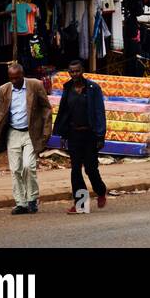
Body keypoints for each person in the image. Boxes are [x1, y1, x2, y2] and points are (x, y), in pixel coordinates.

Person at [0, 61, 53, 216]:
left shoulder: (35, 85)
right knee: (15, 169)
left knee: (28, 166)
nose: (14, 81)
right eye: (11, 78)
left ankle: (32, 199)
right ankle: (21, 203)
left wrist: (46, 132)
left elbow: (46, 108)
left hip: (31, 132)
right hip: (13, 132)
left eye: (17, 78)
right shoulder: (4, 89)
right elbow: (0, 113)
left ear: (22, 75)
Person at [51, 60, 109, 212]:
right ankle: (81, 204)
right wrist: (62, 134)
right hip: (73, 134)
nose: (74, 74)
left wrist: (100, 136)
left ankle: (101, 191)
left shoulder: (93, 89)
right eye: (72, 72)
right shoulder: (68, 88)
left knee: (90, 169)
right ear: (69, 73)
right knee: (75, 170)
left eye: (77, 71)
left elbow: (99, 112)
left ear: (82, 70)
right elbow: (64, 112)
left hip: (90, 135)